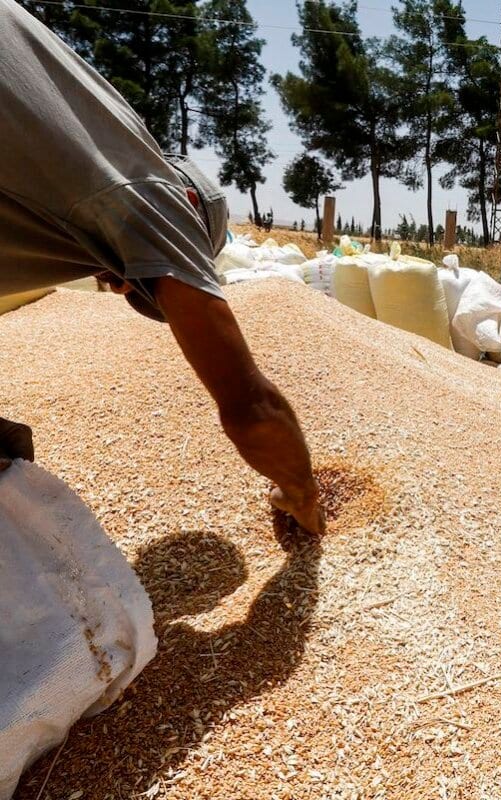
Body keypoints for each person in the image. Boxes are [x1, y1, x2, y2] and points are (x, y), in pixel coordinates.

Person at [0, 0, 324, 535]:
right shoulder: (155, 199)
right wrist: (302, 493)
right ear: (191, 212)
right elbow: (250, 403)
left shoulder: (95, 156)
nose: (120, 288)